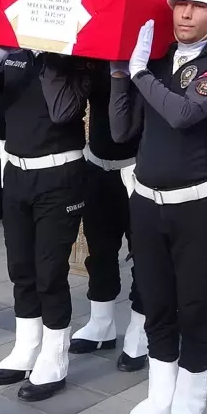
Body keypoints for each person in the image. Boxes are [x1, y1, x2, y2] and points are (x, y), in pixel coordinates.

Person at [109, 0, 207, 414]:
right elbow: (122, 130)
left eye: (197, 7)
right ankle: (157, 397)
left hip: (199, 208)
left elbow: (185, 114)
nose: (184, 14)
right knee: (156, 304)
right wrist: (120, 72)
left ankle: (188, 406)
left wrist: (142, 74)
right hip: (147, 202)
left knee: (195, 307)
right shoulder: (157, 64)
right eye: (178, 6)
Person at [0, 19, 89, 403]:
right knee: (21, 266)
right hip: (17, 172)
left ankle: (54, 356)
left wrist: (54, 56)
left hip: (59, 174)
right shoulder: (13, 59)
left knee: (50, 269)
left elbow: (66, 110)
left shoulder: (75, 60)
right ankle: (27, 346)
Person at [66, 56, 143, 363]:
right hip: (99, 166)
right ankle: (101, 323)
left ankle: (141, 329)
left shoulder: (150, 60)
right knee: (99, 251)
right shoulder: (97, 62)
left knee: (144, 255)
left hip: (138, 169)